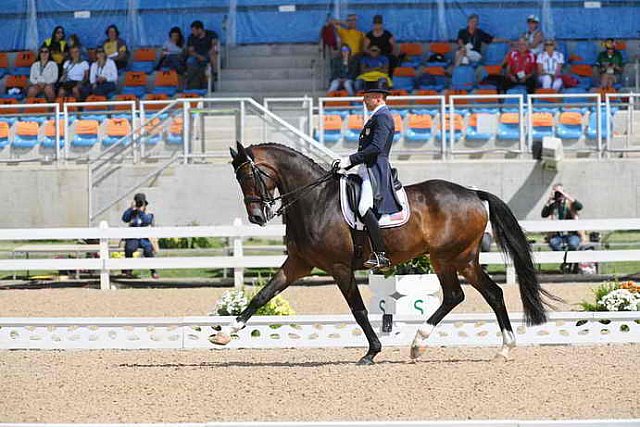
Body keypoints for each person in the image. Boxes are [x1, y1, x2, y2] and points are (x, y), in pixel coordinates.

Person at [335, 86, 401, 271]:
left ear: (378, 98)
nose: (364, 101)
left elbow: (376, 148)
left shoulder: (383, 117)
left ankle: (381, 255)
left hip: (376, 169)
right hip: (366, 167)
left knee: (364, 207)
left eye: (367, 97)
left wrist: (350, 159)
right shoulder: (376, 117)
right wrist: (346, 164)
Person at [121, 193, 159, 279]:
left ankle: (153, 271)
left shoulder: (149, 212)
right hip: (133, 237)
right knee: (129, 248)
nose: (139, 204)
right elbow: (124, 219)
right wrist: (131, 209)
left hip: (145, 238)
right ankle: (128, 270)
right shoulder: (131, 212)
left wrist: (140, 211)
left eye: (141, 203)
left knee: (148, 250)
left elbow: (147, 221)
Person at [541, 184, 584, 251]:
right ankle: (563, 259)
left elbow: (580, 206)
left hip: (572, 234)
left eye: (560, 192)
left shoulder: (570, 204)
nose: (559, 194)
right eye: (556, 192)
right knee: (553, 243)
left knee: (573, 244)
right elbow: (543, 214)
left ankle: (569, 260)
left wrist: (565, 195)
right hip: (558, 235)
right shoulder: (553, 206)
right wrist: (549, 200)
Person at [186, 20, 218, 90]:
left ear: (200, 29)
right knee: (190, 61)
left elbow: (215, 45)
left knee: (213, 55)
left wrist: (211, 51)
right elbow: (191, 51)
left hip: (208, 54)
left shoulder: (211, 34)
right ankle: (193, 79)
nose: (192, 32)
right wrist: (199, 56)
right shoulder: (191, 37)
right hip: (197, 56)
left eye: (194, 30)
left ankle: (215, 73)